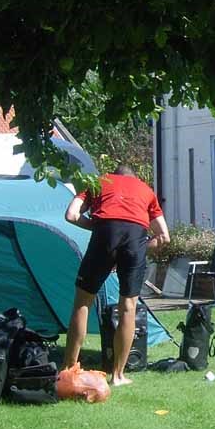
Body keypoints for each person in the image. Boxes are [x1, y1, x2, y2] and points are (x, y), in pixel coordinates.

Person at [62, 165, 170, 386]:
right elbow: (164, 237)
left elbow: (71, 215)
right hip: (135, 238)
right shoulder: (146, 190)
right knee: (128, 307)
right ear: (133, 177)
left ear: (114, 174)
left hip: (105, 232)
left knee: (83, 302)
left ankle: (69, 369)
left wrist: (98, 228)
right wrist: (138, 249)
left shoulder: (98, 181)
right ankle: (118, 376)